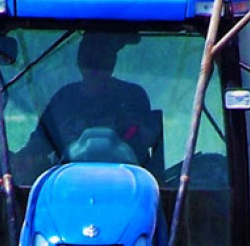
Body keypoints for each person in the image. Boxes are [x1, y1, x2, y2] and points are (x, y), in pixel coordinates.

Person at [15, 32, 156, 180]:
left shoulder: (133, 97)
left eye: (102, 56)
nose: (95, 64)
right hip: (64, 189)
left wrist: (137, 128)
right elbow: (38, 146)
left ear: (112, 60)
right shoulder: (64, 99)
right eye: (89, 56)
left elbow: (151, 140)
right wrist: (21, 160)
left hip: (129, 186)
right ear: (80, 60)